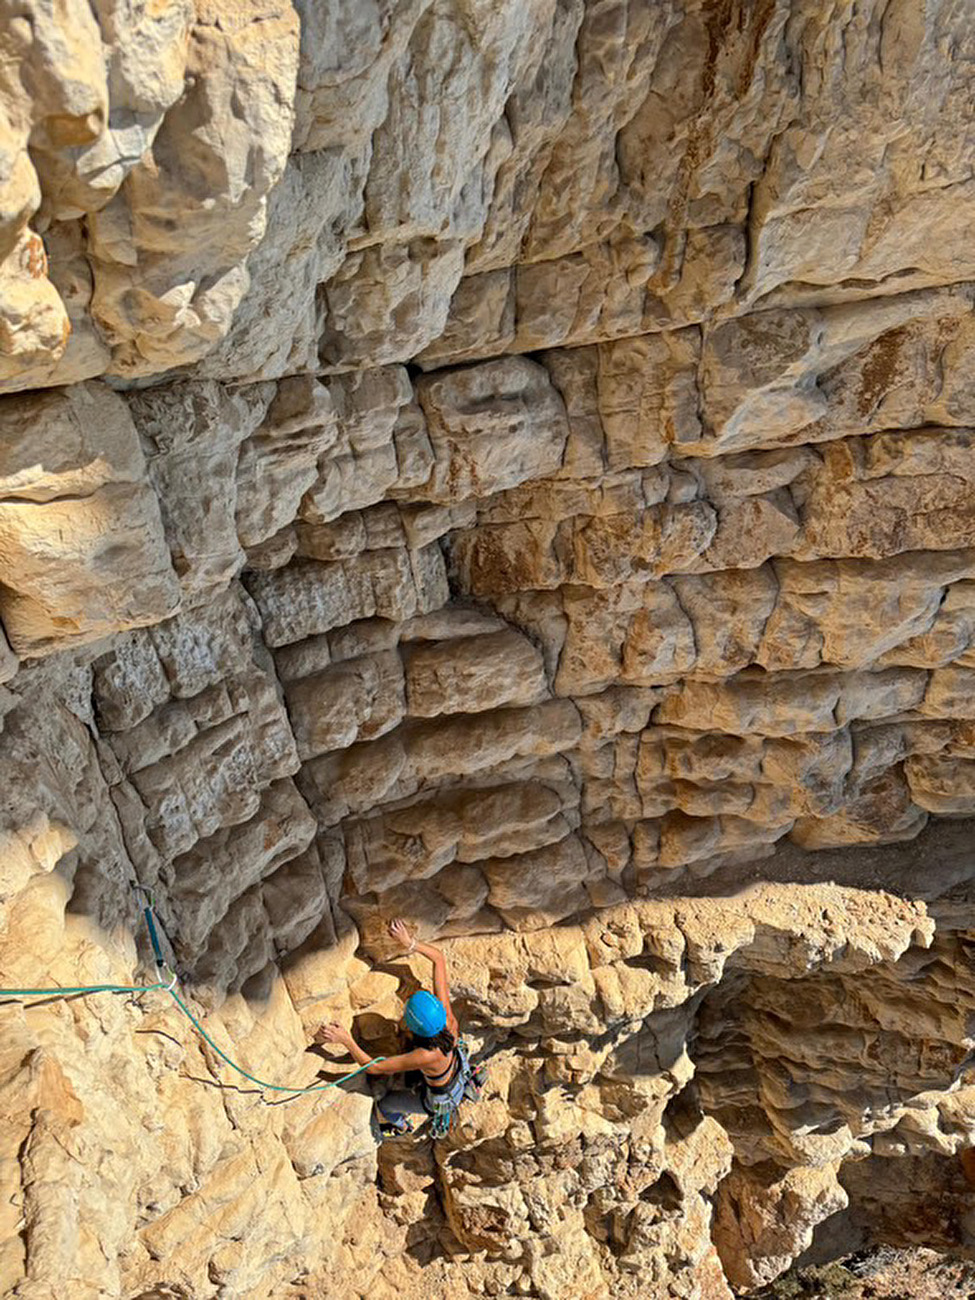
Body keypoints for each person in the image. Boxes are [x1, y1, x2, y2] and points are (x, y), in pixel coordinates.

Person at [316, 918, 483, 1137]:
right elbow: (439, 960)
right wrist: (409, 942)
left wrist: (346, 1039)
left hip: (436, 1098)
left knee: (386, 1105)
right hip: (451, 1073)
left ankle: (398, 1124)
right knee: (414, 1076)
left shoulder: (426, 1055)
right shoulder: (448, 1021)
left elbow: (375, 1068)